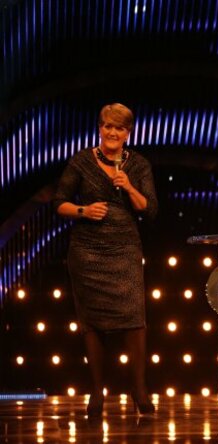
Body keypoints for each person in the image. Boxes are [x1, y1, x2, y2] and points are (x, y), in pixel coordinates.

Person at [53, 103, 158, 418]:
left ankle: (138, 389)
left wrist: (129, 187)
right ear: (100, 128)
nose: (112, 132)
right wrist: (83, 210)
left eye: (119, 128)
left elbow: (150, 209)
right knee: (92, 322)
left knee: (135, 318)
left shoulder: (138, 165)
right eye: (107, 126)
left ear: (128, 133)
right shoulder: (81, 162)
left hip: (125, 249)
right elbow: (59, 203)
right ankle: (97, 390)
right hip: (87, 251)